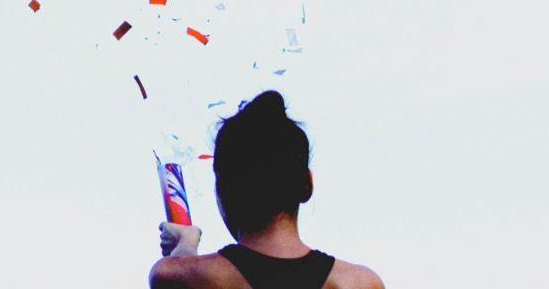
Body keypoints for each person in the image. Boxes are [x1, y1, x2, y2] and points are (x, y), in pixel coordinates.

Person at [148, 90, 384, 289]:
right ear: (306, 184)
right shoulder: (360, 283)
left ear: (224, 192)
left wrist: (186, 243)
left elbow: (177, 272)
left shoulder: (182, 276)